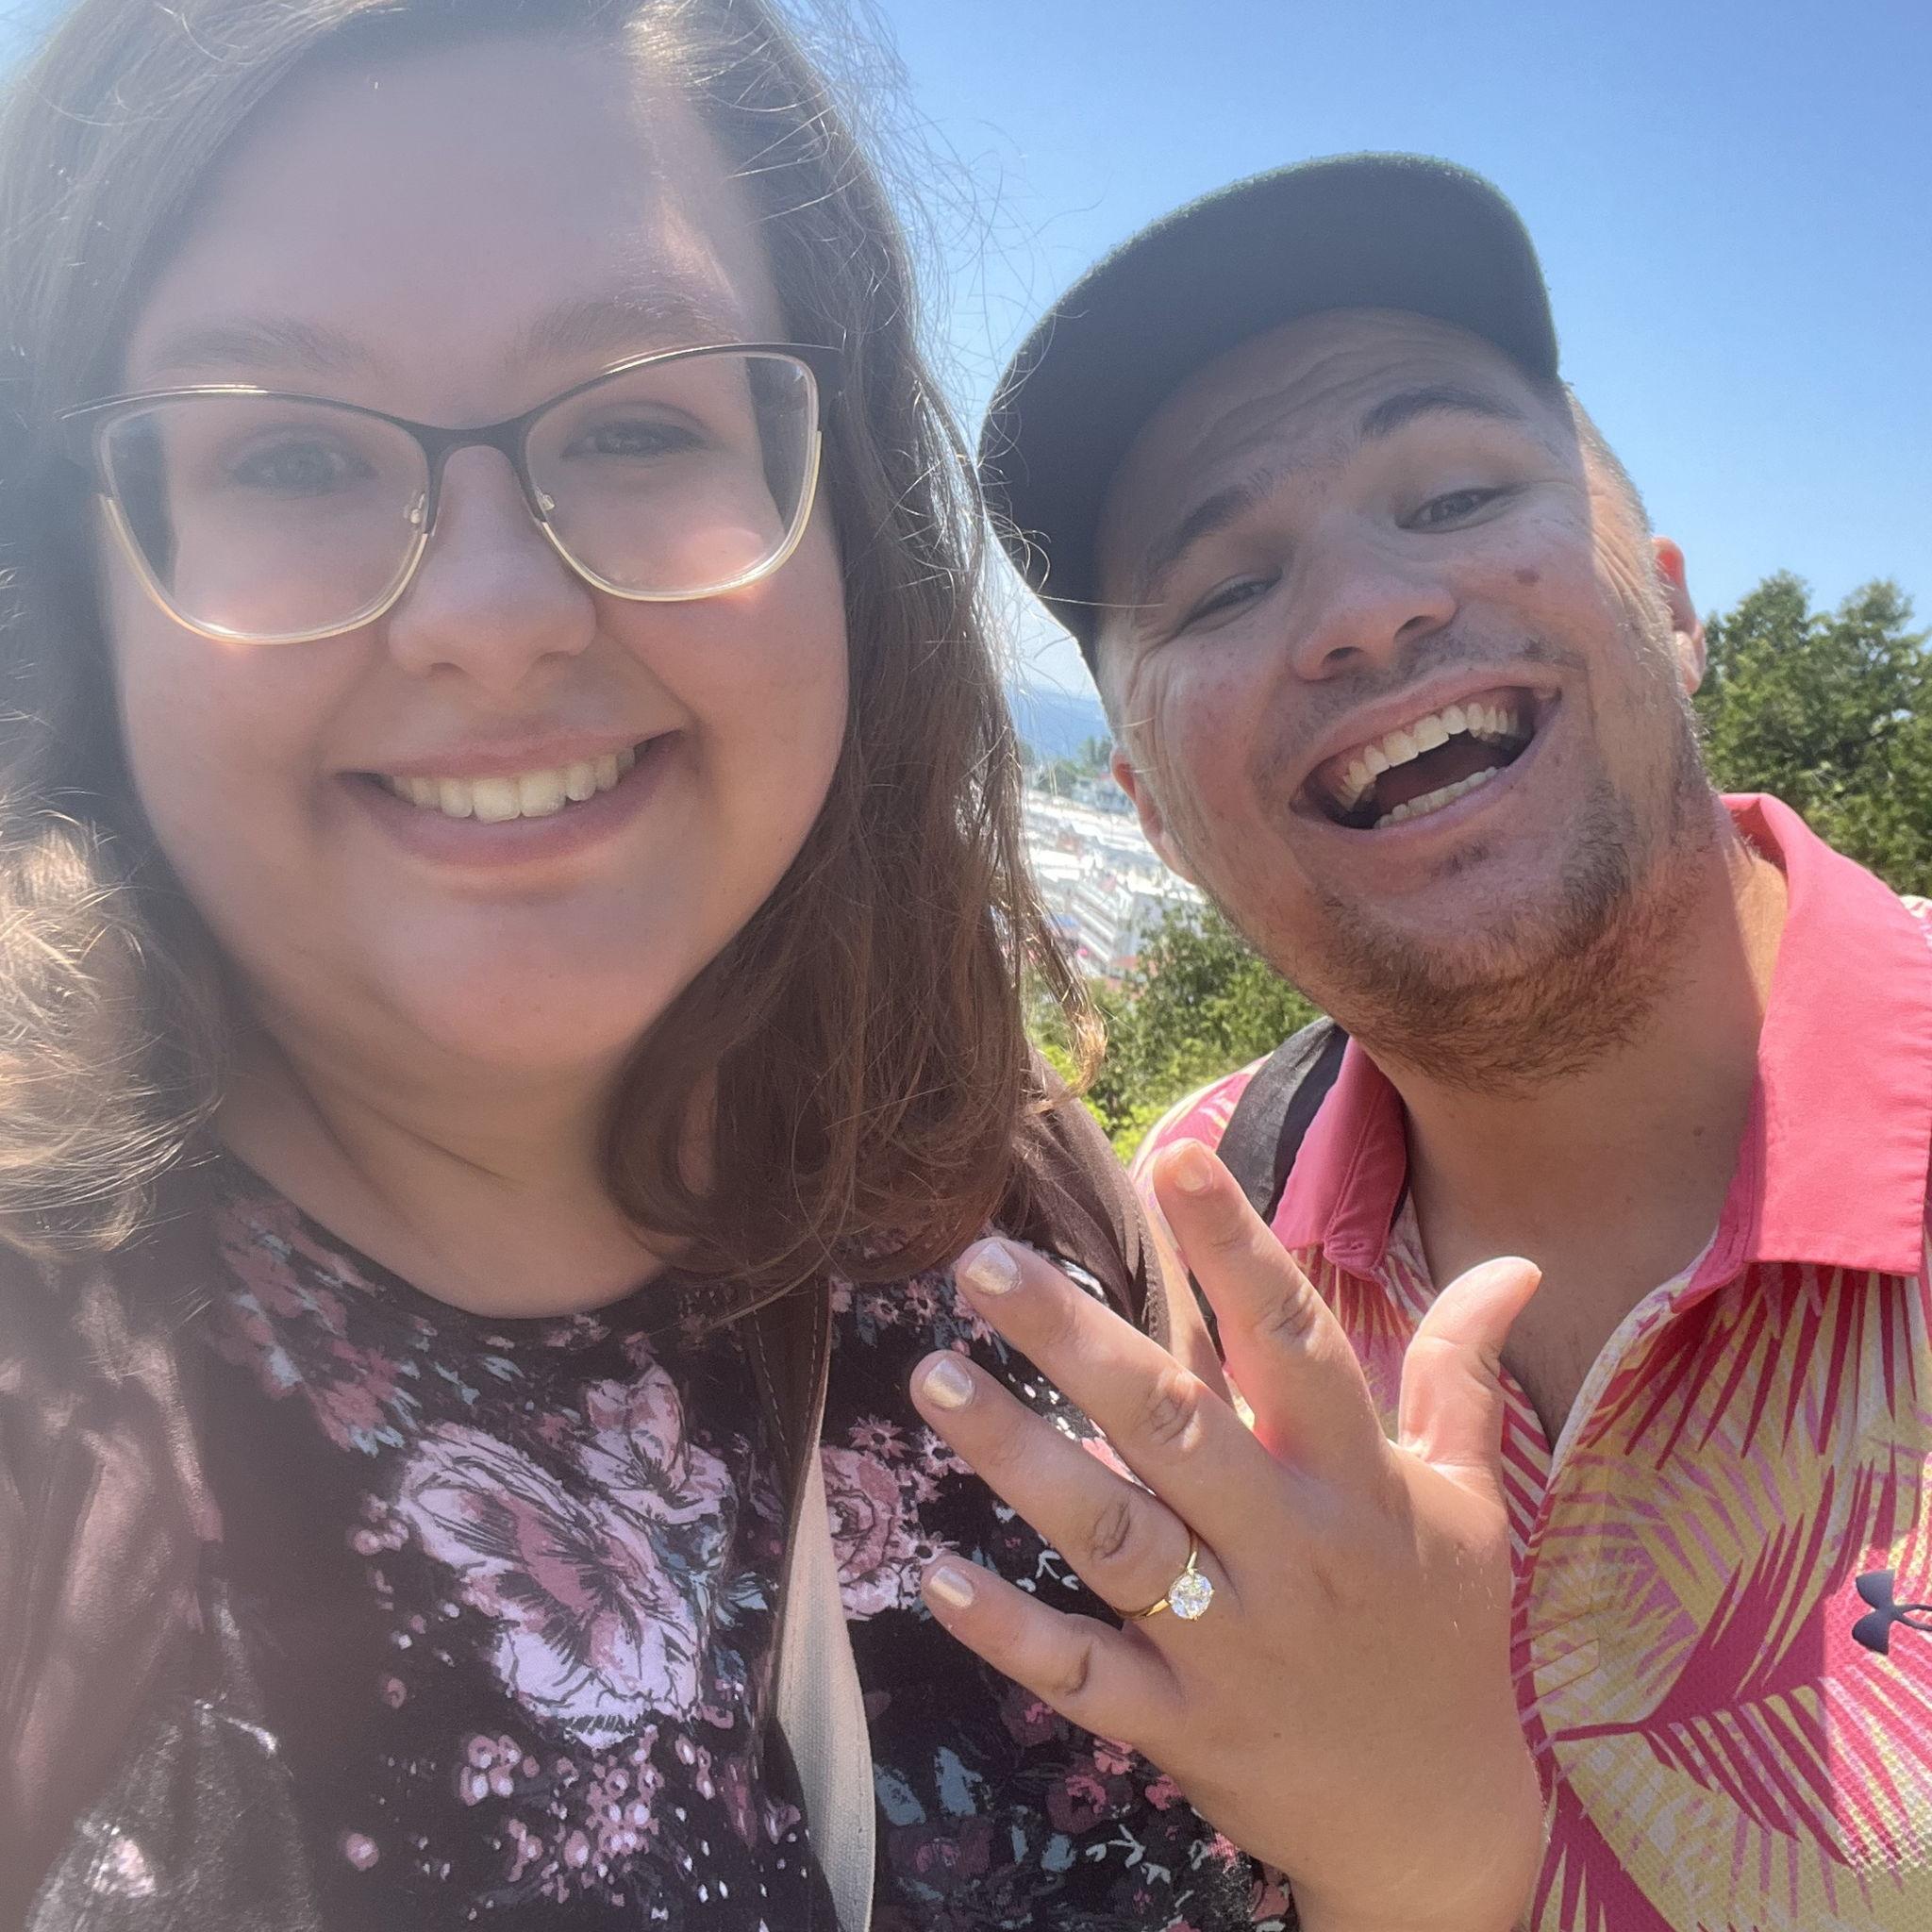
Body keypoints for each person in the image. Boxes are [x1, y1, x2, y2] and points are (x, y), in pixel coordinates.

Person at [0, 15, 1547, 1931]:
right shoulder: (55, 1443)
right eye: (291, 451)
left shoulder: (1024, 1228)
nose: (491, 612)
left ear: (842, 526)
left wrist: (1440, 1850)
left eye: (639, 421)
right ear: (72, 572)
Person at [980, 152, 1932, 1931]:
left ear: (1666, 599)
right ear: (1152, 815)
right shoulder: (1161, 1277)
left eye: (1455, 491)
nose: (1363, 607)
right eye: (1221, 587)